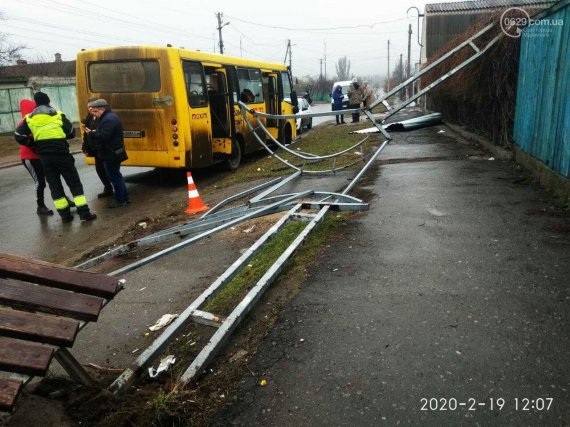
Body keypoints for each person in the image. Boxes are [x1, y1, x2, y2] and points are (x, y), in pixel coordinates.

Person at [15, 92, 97, 223]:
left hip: (45, 157)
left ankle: (65, 216)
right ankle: (84, 213)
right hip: (62, 154)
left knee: (54, 186)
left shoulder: (29, 118)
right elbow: (71, 132)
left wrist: (34, 144)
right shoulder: (58, 114)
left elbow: (18, 136)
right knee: (74, 183)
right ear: (48, 101)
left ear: (36, 103)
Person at [85, 99, 130, 208]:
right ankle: (125, 197)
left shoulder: (108, 119)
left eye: (95, 112)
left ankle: (120, 200)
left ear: (102, 109)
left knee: (114, 177)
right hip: (112, 151)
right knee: (116, 176)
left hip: (111, 153)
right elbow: (105, 132)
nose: (94, 114)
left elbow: (104, 137)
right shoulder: (108, 117)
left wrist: (91, 134)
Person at [82, 97, 113, 199]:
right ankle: (107, 187)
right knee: (99, 170)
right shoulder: (89, 117)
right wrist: (85, 146)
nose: (90, 109)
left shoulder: (102, 117)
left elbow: (103, 133)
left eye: (91, 107)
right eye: (88, 107)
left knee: (109, 170)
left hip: (102, 147)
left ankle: (114, 189)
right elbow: (86, 132)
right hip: (94, 148)